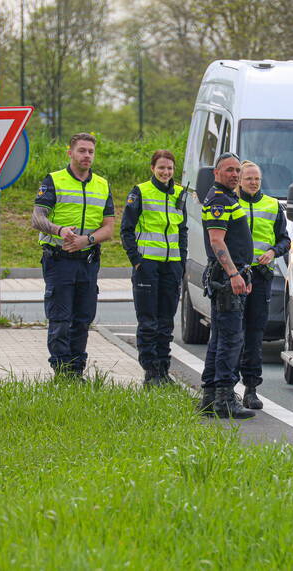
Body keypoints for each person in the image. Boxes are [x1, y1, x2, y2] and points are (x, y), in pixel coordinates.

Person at [31, 133, 115, 380]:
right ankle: (62, 373)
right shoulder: (54, 180)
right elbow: (37, 218)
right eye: (82, 150)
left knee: (82, 319)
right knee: (60, 319)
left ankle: (77, 372)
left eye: (90, 151)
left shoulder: (102, 184)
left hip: (87, 261)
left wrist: (85, 241)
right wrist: (59, 230)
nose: (86, 155)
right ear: (70, 153)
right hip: (59, 260)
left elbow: (108, 228)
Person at [120, 149, 188, 387]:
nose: (165, 172)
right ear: (152, 168)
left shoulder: (180, 193)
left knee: (166, 323)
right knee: (148, 322)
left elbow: (182, 230)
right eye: (161, 167)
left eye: (169, 168)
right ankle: (150, 373)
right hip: (147, 265)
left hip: (172, 267)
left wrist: (182, 262)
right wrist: (136, 260)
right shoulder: (140, 191)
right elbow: (126, 229)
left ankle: (163, 370)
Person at [198, 153, 255, 419]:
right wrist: (234, 274)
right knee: (231, 340)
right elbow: (217, 242)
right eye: (229, 170)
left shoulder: (227, 197)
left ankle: (210, 396)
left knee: (220, 338)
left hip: (229, 276)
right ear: (217, 172)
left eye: (237, 171)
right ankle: (224, 398)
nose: (234, 175)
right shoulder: (219, 199)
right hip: (225, 278)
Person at [236, 161, 291, 410]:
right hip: (235, 275)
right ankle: (227, 385)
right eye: (248, 178)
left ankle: (251, 389)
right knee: (233, 332)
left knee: (255, 333)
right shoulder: (230, 203)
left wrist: (273, 251)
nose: (253, 182)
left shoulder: (272, 205)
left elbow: (285, 240)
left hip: (261, 276)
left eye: (257, 179)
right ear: (239, 180)